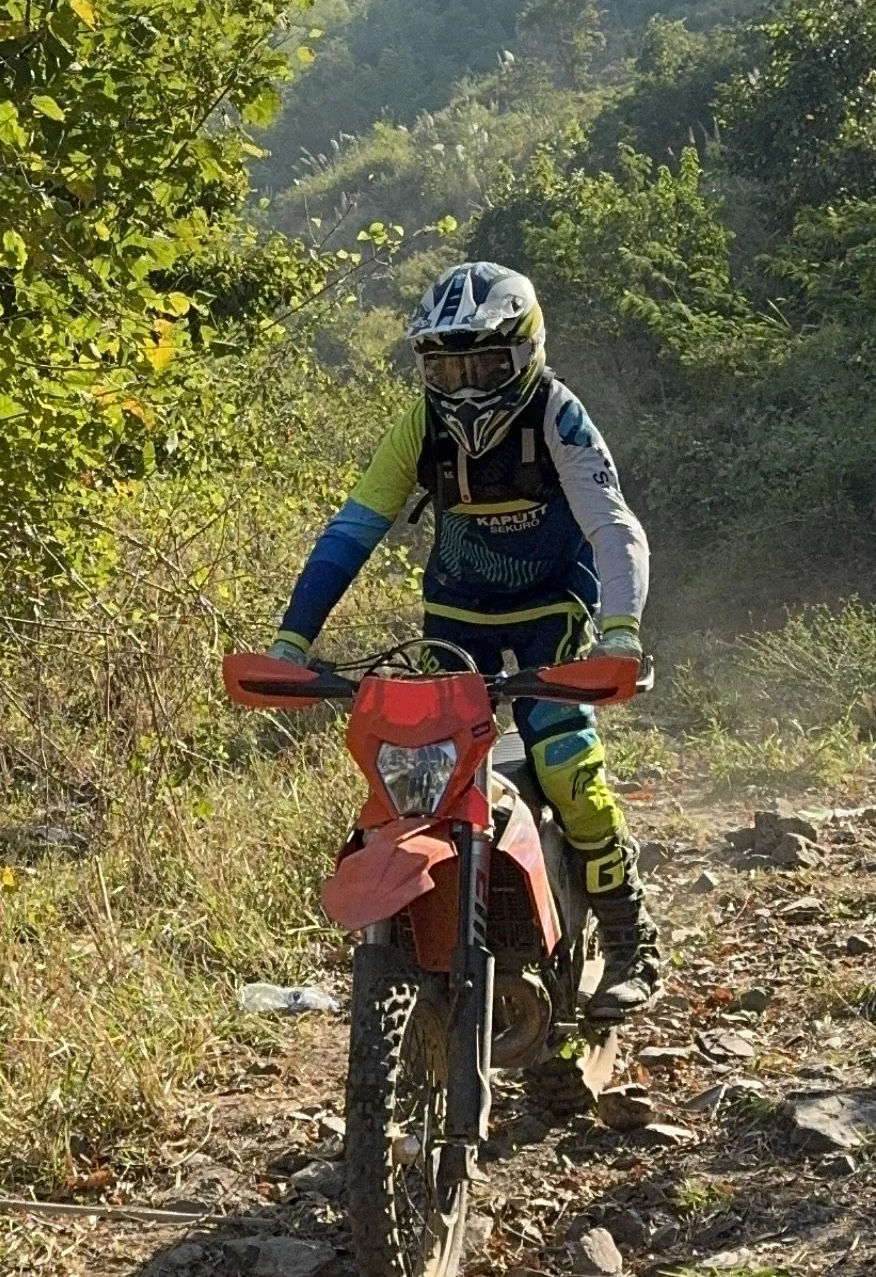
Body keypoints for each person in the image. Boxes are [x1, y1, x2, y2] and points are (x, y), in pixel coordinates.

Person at [272, 259, 661, 1010]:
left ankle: (627, 936)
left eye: (485, 362)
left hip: (552, 611)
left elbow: (613, 525)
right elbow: (354, 529)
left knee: (566, 763)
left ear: (525, 354)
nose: (468, 385)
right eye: (447, 369)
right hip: (457, 617)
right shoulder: (419, 424)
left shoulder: (556, 413)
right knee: (422, 779)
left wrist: (619, 633)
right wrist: (293, 640)